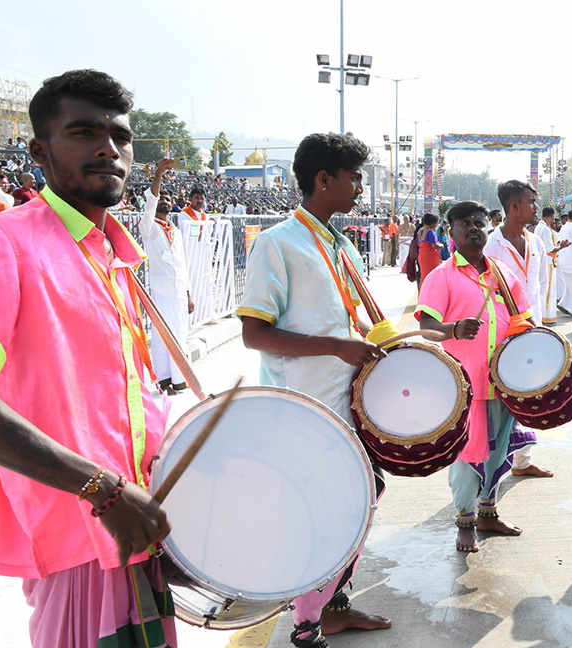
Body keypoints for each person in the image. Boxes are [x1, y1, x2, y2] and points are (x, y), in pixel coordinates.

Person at [0, 69, 176, 648]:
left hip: (134, 530)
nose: (108, 148)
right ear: (39, 150)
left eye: (119, 136)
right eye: (83, 132)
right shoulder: (1, 240)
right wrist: (102, 491)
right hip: (78, 536)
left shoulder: (115, 256)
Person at [237, 132, 392, 647]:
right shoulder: (277, 243)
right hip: (301, 411)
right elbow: (254, 333)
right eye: (354, 177)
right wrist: (336, 347)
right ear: (323, 180)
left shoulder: (340, 244)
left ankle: (332, 606)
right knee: (323, 513)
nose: (360, 187)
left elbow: (348, 322)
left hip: (344, 406)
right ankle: (307, 626)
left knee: (362, 497)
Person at [417, 200, 536, 551]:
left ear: (488, 228)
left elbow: (524, 318)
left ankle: (488, 512)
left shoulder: (502, 273)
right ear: (450, 232)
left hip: (504, 381)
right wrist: (453, 329)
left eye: (479, 222)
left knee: (499, 451)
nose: (472, 227)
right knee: (469, 454)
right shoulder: (442, 275)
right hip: (464, 384)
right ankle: (465, 520)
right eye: (463, 223)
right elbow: (426, 327)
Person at [483, 180, 554, 478]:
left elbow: (538, 283)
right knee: (505, 397)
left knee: (530, 393)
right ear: (514, 207)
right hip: (502, 333)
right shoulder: (491, 245)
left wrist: (537, 322)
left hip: (531, 327)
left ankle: (521, 461)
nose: (536, 208)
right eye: (531, 202)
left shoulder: (535, 241)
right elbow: (486, 291)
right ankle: (493, 465)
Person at [138, 158, 194, 394]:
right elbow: (151, 203)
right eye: (161, 199)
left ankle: (179, 378)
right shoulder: (149, 228)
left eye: (168, 200)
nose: (164, 202)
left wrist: (189, 294)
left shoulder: (176, 231)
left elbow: (183, 265)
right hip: (162, 291)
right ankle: (164, 379)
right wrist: (158, 175)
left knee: (180, 334)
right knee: (162, 336)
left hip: (180, 291)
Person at [534, 206, 571, 325]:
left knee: (545, 288)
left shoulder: (541, 227)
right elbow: (549, 249)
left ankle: (544, 315)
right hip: (548, 261)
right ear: (551, 216)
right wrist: (562, 247)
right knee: (548, 290)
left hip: (544, 261)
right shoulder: (544, 229)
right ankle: (546, 316)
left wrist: (559, 244)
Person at [416, 212, 443, 288]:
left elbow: (419, 243)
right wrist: (441, 246)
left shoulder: (420, 231)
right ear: (433, 223)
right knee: (433, 276)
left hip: (422, 255)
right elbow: (434, 245)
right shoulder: (431, 231)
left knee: (424, 276)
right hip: (430, 257)